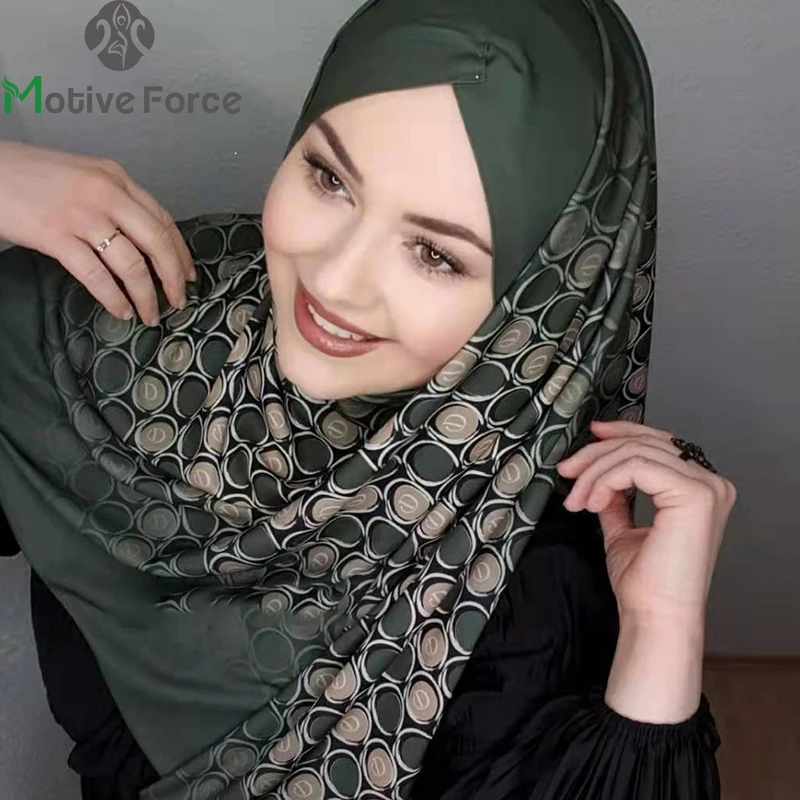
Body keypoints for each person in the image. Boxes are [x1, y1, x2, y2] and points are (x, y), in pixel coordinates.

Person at [0, 0, 736, 798]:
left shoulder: (522, 582)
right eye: (329, 178)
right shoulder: (131, 318)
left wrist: (662, 626)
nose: (334, 280)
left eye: (435, 254)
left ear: (542, 301)